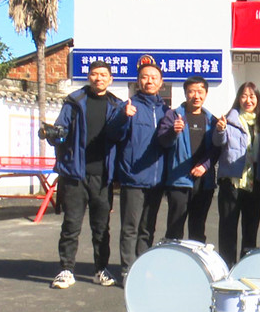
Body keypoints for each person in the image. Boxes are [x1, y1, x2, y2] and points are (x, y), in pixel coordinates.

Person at [48, 61, 123, 289]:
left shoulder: (116, 105)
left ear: (110, 79)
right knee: (71, 225)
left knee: (101, 228)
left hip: (102, 176)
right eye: (94, 74)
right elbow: (60, 130)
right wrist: (53, 134)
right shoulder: (74, 101)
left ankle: (101, 269)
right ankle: (66, 270)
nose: (99, 78)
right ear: (88, 77)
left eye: (103, 75)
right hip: (74, 175)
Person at [108, 61, 169, 282]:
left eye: (154, 77)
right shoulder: (128, 106)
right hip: (133, 177)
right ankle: (127, 269)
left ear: (161, 83)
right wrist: (123, 117)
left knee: (147, 228)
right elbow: (113, 135)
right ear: (138, 81)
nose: (149, 81)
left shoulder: (166, 111)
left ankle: (142, 267)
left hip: (156, 179)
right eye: (144, 77)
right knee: (130, 227)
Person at [213, 82, 260, 267]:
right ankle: (227, 267)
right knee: (227, 228)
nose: (248, 100)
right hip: (231, 182)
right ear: (238, 98)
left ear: (258, 99)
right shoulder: (229, 120)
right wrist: (220, 130)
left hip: (256, 182)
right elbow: (218, 142)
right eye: (244, 96)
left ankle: (245, 268)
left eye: (252, 96)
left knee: (250, 230)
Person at [157, 76, 220, 243]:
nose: (196, 96)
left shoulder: (211, 120)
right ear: (185, 93)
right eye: (192, 91)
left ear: (206, 94)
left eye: (200, 92)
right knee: (174, 228)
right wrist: (173, 132)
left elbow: (216, 148)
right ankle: (173, 257)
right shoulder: (173, 116)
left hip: (204, 182)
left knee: (198, 228)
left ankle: (195, 258)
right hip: (179, 181)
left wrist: (205, 166)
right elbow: (163, 141)